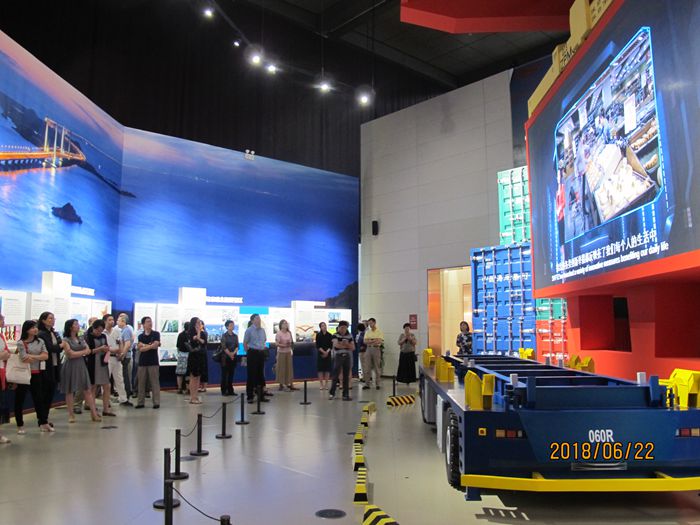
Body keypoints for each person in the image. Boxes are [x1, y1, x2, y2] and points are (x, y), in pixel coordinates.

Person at [60, 319, 101, 423]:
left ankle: (94, 414)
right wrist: (82, 352)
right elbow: (70, 354)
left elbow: (88, 350)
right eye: (76, 324)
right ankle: (71, 415)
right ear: (70, 327)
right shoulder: (65, 340)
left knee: (87, 389)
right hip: (70, 366)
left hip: (81, 365)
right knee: (69, 391)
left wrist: (80, 352)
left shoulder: (81, 338)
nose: (78, 326)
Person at [14, 320, 52, 433]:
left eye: (36, 327)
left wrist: (32, 356)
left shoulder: (40, 341)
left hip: (37, 374)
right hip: (23, 375)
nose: (35, 329)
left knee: (39, 399)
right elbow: (24, 358)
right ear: (26, 330)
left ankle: (43, 423)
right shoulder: (21, 342)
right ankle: (20, 425)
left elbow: (45, 356)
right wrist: (38, 356)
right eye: (32, 328)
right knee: (19, 400)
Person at [37, 312, 62, 426]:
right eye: (50, 318)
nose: (53, 320)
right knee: (45, 393)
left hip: (55, 365)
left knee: (50, 393)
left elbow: (58, 347)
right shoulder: (42, 334)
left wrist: (59, 346)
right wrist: (60, 346)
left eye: (53, 318)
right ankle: (42, 420)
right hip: (46, 367)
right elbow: (51, 348)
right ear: (43, 320)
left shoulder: (54, 333)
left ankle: (45, 419)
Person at [86, 319, 115, 417]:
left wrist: (107, 350)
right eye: (97, 330)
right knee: (93, 387)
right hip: (93, 363)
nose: (99, 332)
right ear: (94, 328)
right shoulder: (89, 337)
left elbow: (106, 347)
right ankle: (93, 411)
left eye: (101, 330)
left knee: (107, 386)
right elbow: (88, 351)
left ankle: (106, 409)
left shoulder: (103, 336)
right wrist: (100, 349)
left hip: (103, 363)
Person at [104, 314, 130, 407]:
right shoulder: (103, 333)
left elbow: (120, 342)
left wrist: (121, 353)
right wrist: (113, 350)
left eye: (113, 319)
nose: (112, 321)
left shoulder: (117, 331)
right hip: (107, 356)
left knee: (119, 378)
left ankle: (123, 399)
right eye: (109, 320)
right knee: (105, 380)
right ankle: (106, 400)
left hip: (117, 357)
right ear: (105, 321)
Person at [135, 316, 161, 409]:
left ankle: (156, 402)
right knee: (141, 383)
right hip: (142, 362)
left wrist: (145, 345)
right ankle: (140, 402)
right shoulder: (140, 336)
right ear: (143, 324)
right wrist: (150, 345)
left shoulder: (156, 334)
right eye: (147, 321)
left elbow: (155, 346)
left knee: (154, 382)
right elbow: (140, 349)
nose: (150, 323)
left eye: (150, 321)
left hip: (153, 362)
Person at [243, 314, 268, 404]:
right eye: (257, 318)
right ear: (252, 320)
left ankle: (261, 395)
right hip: (252, 353)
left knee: (260, 375)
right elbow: (245, 343)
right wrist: (249, 352)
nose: (259, 320)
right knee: (251, 375)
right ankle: (250, 396)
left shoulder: (262, 330)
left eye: (259, 318)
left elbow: (264, 340)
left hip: (261, 353)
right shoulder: (249, 330)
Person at [328, 321, 355, 401]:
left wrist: (344, 344)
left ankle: (345, 394)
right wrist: (347, 345)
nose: (343, 329)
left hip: (347, 356)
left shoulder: (349, 335)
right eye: (342, 328)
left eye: (345, 328)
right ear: (339, 327)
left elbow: (353, 347)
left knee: (346, 375)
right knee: (335, 375)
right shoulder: (335, 335)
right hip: (338, 356)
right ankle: (332, 393)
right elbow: (336, 345)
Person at [186, 317, 207, 404]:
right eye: (198, 322)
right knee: (193, 377)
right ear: (194, 323)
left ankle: (196, 396)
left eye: (200, 322)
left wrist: (199, 337)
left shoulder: (203, 333)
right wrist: (198, 332)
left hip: (201, 356)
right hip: (193, 356)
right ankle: (192, 397)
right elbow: (195, 339)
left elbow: (204, 342)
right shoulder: (190, 332)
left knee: (198, 377)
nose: (200, 324)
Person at [117, 314, 135, 400]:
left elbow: (127, 344)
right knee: (124, 376)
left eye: (118, 321)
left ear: (123, 322)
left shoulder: (126, 330)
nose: (117, 322)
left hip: (125, 356)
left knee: (125, 376)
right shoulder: (123, 330)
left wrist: (122, 354)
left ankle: (126, 395)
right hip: (125, 355)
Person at [275, 319, 296, 392]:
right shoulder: (279, 333)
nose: (285, 325)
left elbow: (291, 342)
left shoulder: (289, 333)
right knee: (282, 368)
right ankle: (282, 384)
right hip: (281, 352)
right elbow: (277, 344)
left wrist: (289, 344)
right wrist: (283, 345)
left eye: (286, 323)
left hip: (288, 352)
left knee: (289, 368)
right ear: (281, 325)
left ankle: (289, 383)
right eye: (284, 323)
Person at [0, 314, 12, 443]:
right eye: (2, 320)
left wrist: (5, 355)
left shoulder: (1, 336)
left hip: (2, 371)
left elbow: (7, 352)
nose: (3, 322)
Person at [364, 318, 384, 390]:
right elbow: (365, 341)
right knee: (367, 367)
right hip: (368, 349)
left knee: (377, 367)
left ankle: (377, 384)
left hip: (376, 349)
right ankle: (367, 384)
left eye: (371, 323)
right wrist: (374, 340)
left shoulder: (379, 331)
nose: (370, 325)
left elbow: (379, 341)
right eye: (369, 323)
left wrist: (370, 340)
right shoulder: (367, 332)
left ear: (375, 323)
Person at [220, 320, 238, 396]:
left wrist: (233, 353)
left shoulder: (235, 336)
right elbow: (224, 347)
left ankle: (231, 390)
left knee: (231, 374)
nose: (232, 326)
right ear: (227, 327)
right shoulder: (224, 336)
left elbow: (237, 346)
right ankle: (224, 390)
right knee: (225, 374)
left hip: (233, 357)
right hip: (225, 358)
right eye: (231, 325)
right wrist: (230, 354)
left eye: (233, 325)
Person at [315, 322, 333, 390]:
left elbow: (331, 346)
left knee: (327, 370)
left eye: (325, 325)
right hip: (320, 353)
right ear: (320, 327)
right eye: (322, 326)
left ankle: (326, 384)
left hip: (328, 354)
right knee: (320, 370)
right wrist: (323, 352)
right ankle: (321, 384)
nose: (324, 327)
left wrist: (327, 352)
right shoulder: (318, 335)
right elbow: (318, 345)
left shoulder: (329, 335)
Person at [175, 321, 190, 395]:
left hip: (181, 354)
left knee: (179, 373)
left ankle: (180, 388)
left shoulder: (180, 335)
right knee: (188, 373)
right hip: (189, 355)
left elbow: (178, 346)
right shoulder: (191, 335)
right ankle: (188, 388)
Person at [356, 323, 369, 389]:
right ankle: (365, 377)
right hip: (363, 351)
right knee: (364, 365)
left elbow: (364, 342)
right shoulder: (362, 333)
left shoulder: (362, 334)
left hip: (363, 351)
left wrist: (362, 347)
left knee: (364, 365)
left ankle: (365, 378)